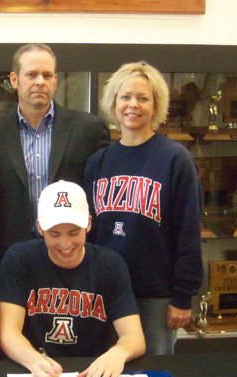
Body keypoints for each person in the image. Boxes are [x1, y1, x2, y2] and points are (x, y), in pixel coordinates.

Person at [83, 61, 203, 355]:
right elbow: (88, 232)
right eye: (125, 97)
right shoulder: (98, 162)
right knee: (105, 373)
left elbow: (189, 232)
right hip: (105, 293)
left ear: (156, 105)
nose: (132, 105)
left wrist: (183, 296)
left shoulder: (176, 160)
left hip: (156, 297)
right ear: (114, 103)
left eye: (142, 98)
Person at [0, 43, 110, 294]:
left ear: (56, 80)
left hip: (72, 255)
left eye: (47, 75)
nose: (40, 81)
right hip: (12, 258)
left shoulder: (89, 129)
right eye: (31, 75)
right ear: (15, 80)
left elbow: (99, 199)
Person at [0, 180, 145, 377]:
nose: (65, 245)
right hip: (32, 373)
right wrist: (34, 361)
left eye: (74, 233)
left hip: (90, 374)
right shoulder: (19, 259)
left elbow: (134, 337)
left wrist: (118, 353)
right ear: (40, 228)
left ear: (88, 224)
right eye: (54, 234)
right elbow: (8, 333)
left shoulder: (110, 264)